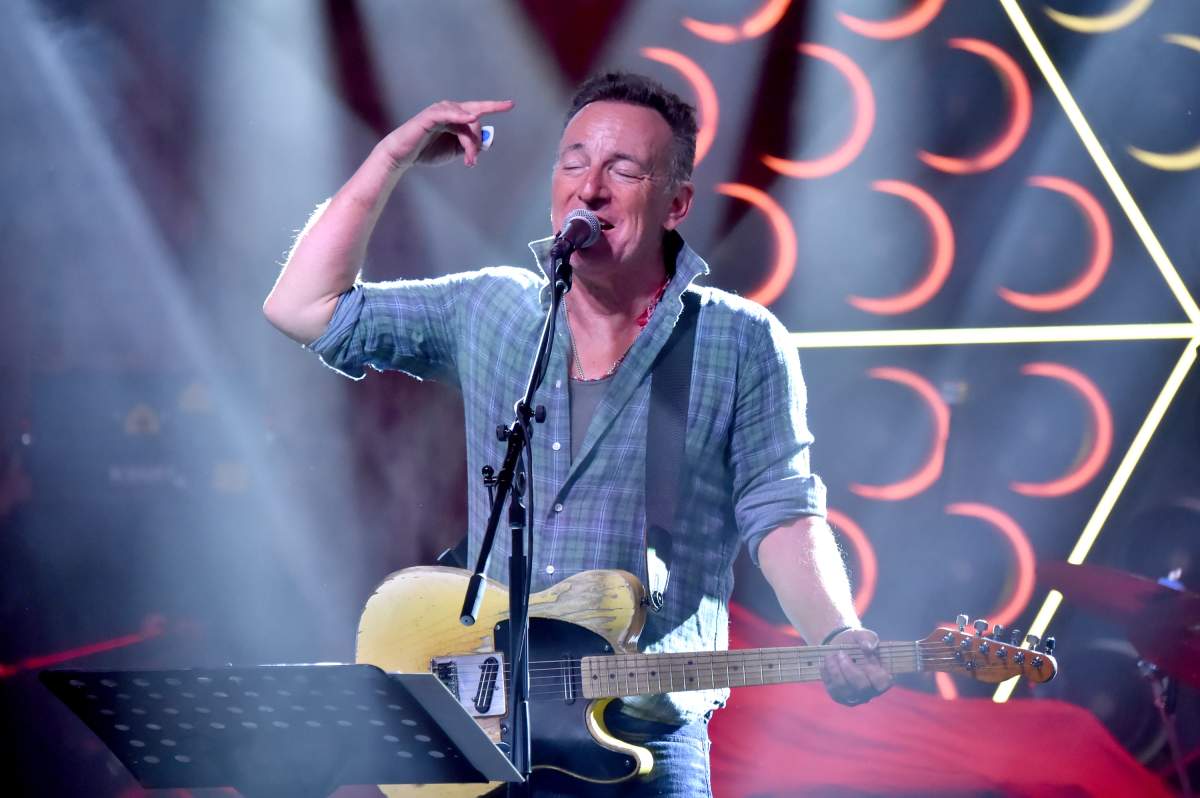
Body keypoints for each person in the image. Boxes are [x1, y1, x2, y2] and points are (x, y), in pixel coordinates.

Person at [264, 72, 892, 797]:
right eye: (573, 162)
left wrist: (836, 633)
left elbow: (781, 513)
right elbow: (303, 307)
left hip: (645, 738)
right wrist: (392, 158)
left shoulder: (739, 340)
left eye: (623, 170)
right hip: (489, 726)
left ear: (675, 203)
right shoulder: (492, 310)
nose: (589, 188)